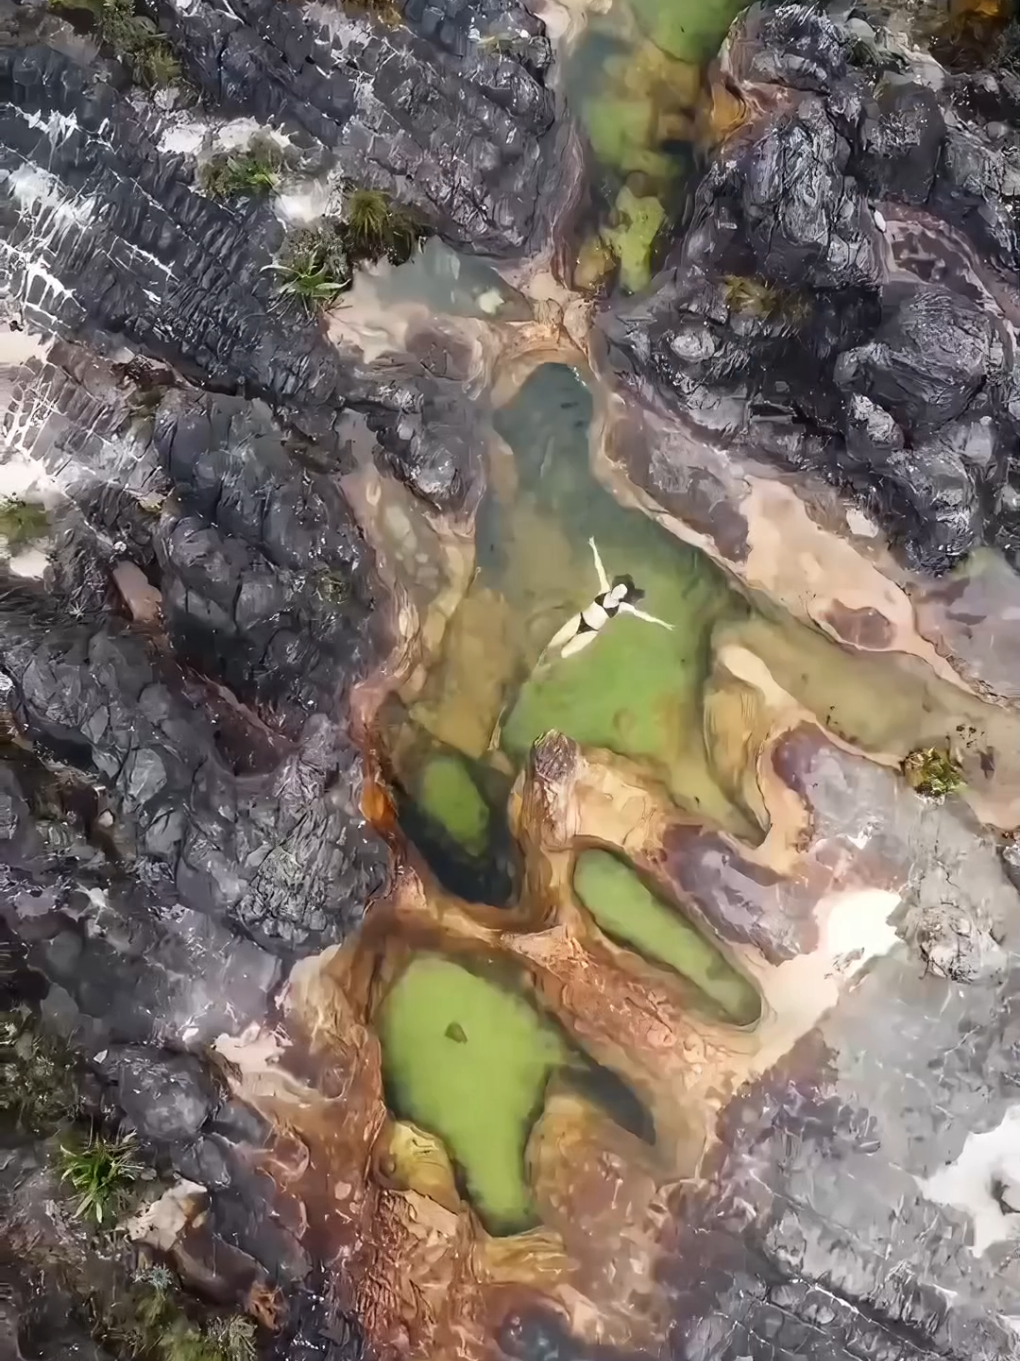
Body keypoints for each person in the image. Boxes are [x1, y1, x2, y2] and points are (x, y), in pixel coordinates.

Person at [542, 538, 673, 660]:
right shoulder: (604, 589)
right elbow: (599, 568)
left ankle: (548, 668)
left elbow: (642, 615)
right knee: (551, 644)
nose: (618, 591)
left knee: (564, 654)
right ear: (615, 586)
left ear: (623, 597)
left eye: (622, 592)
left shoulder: (621, 607)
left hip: (590, 632)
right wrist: (594, 548)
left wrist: (662, 623)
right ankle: (539, 662)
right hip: (580, 619)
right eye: (619, 588)